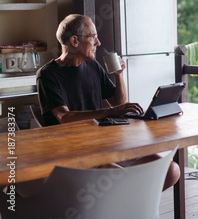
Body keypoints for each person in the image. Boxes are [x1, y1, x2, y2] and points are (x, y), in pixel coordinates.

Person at [36, 14, 180, 191]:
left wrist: (118, 75)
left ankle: (127, 206)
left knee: (171, 169)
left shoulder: (93, 66)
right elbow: (64, 117)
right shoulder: (48, 75)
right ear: (74, 41)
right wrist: (108, 112)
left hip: (104, 147)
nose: (98, 43)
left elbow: (119, 102)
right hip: (75, 155)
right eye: (93, 37)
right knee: (121, 181)